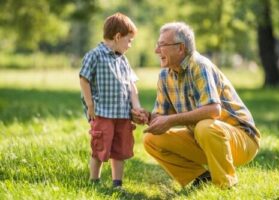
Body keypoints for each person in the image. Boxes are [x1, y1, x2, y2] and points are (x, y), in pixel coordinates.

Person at [132, 22, 261, 189]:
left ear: (180, 48)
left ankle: (226, 186)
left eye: (162, 45)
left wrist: (170, 120)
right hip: (204, 139)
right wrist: (147, 117)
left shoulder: (199, 65)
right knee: (151, 139)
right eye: (158, 45)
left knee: (205, 126)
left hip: (242, 140)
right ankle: (201, 178)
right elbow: (161, 118)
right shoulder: (165, 75)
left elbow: (213, 110)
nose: (157, 51)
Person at [79, 12, 145, 188]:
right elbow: (84, 79)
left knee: (120, 150)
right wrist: (90, 105)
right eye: (129, 40)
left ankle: (117, 184)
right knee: (100, 148)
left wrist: (136, 107)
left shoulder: (123, 60)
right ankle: (94, 181)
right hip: (102, 113)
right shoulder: (95, 55)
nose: (130, 45)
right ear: (117, 37)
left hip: (122, 115)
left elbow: (132, 85)